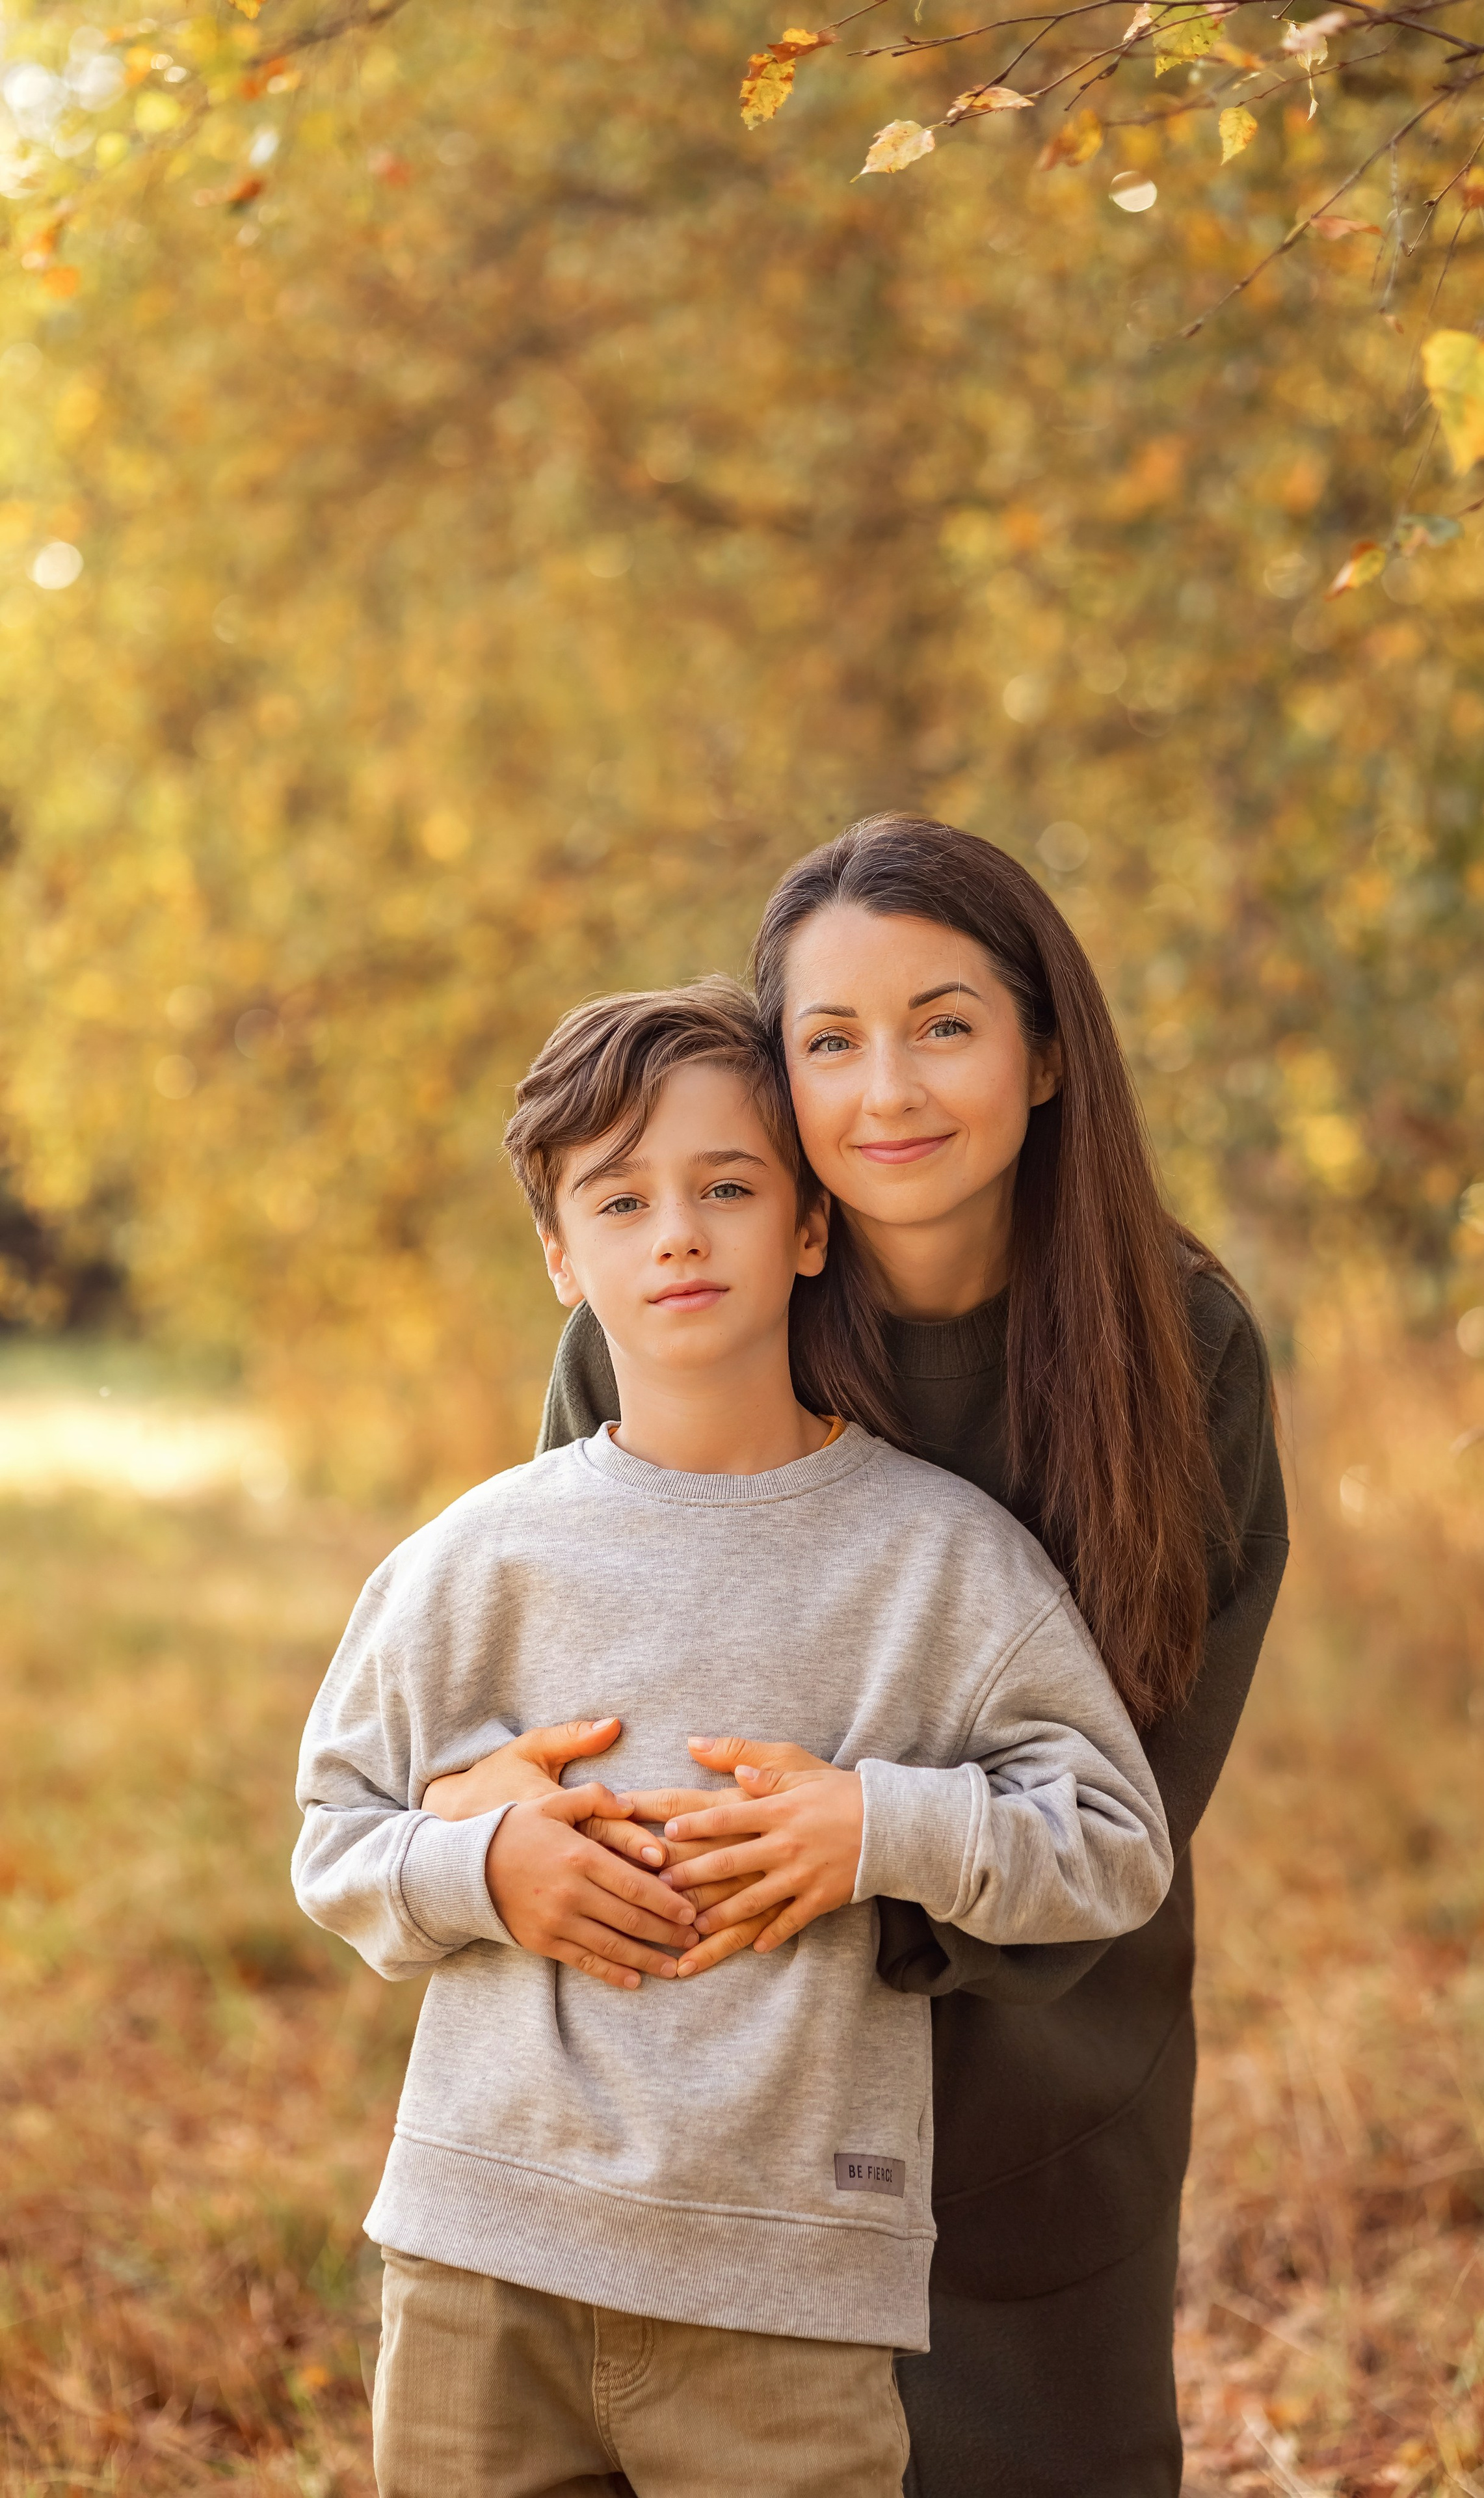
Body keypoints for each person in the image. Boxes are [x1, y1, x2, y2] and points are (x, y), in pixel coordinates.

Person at [438, 813, 1288, 2497]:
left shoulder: (1180, 1349)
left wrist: (868, 1844)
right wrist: (497, 1816)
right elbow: (569, 1676)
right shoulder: (686, 1310)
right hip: (733, 2065)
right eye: (831, 1042)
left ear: (1046, 1052)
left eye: (944, 1024)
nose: (887, 1089)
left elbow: (1138, 1789)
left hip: (1040, 2061)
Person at [293, 976, 1173, 2498]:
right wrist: (485, 1866)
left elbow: (1112, 1847)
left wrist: (877, 1830)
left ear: (809, 1228)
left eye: (725, 1189)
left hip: (789, 2298)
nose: (678, 1235)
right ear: (561, 1257)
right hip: (478, 2263)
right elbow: (336, 1841)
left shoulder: (938, 1562)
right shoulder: (468, 1563)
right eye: (620, 1202)